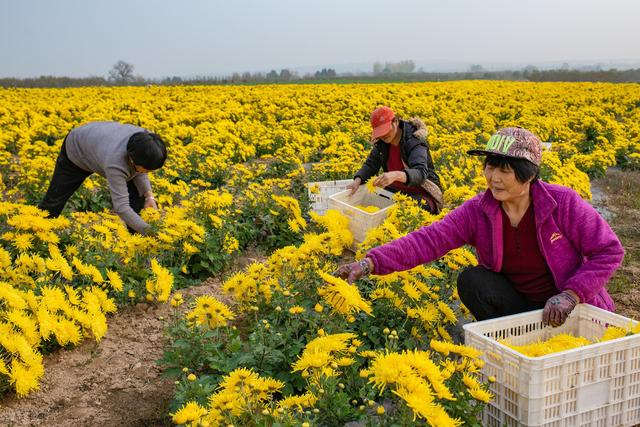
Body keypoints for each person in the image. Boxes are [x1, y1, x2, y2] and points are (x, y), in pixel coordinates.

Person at [336, 127, 624, 327]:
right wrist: (369, 262)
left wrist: (571, 295)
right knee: (472, 280)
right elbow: (427, 240)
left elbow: (609, 251)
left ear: (528, 176)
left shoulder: (563, 203)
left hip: (569, 307)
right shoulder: (479, 210)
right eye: (490, 167)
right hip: (520, 305)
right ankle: (510, 338)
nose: (493, 178)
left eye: (505, 170)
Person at [38, 121, 167, 234]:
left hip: (100, 140)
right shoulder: (115, 162)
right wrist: (149, 232)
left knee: (138, 197)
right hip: (77, 147)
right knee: (55, 198)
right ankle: (38, 230)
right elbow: (121, 207)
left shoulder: (149, 142)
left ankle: (136, 242)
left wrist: (148, 196)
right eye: (148, 170)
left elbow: (141, 171)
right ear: (133, 160)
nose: (149, 173)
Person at [346, 106, 444, 213]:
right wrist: (357, 180)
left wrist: (396, 175)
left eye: (385, 130)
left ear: (396, 122)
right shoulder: (382, 143)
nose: (383, 135)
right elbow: (371, 164)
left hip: (422, 194)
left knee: (406, 211)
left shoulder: (414, 140)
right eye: (380, 132)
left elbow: (420, 173)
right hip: (395, 191)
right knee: (374, 206)